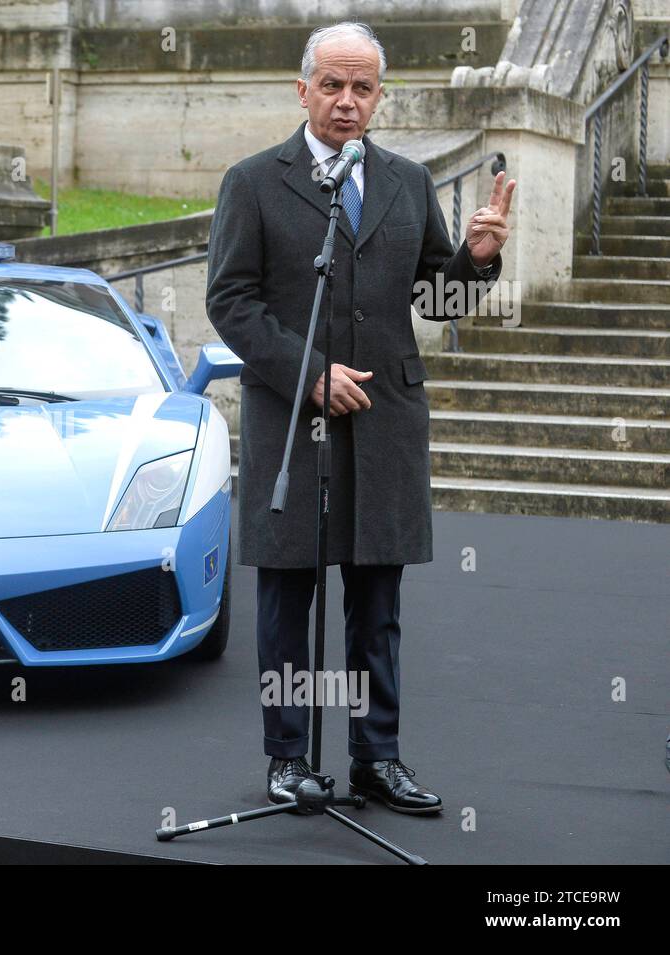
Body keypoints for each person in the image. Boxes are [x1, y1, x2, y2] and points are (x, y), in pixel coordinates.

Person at [205, 21, 515, 813]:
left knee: (377, 602)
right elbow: (230, 303)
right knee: (288, 602)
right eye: (333, 86)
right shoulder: (252, 181)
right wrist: (311, 376)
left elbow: (434, 299)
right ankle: (287, 756)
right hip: (294, 427)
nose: (348, 102)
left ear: (380, 95)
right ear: (302, 89)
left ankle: (376, 757)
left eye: (363, 88)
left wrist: (474, 261)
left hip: (385, 424)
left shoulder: (407, 181)